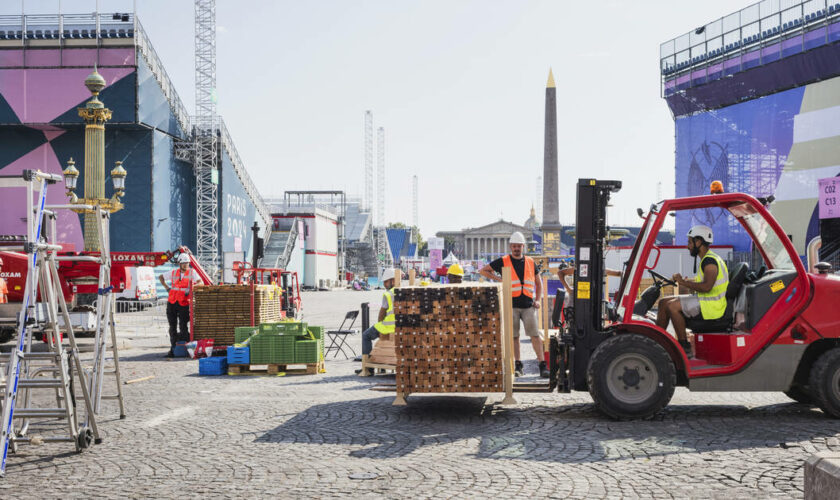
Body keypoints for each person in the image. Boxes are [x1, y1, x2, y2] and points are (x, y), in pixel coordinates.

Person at [479, 232, 549, 378]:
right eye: (514, 246)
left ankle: (542, 365)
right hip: (511, 305)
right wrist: (499, 279)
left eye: (519, 246)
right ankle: (518, 365)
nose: (517, 248)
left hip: (528, 306)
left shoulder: (530, 261)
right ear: (511, 246)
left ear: (523, 246)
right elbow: (483, 271)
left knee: (535, 335)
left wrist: (537, 299)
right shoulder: (504, 261)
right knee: (514, 336)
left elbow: (538, 283)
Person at [656, 225, 728, 356]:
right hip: (705, 300)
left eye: (690, 242)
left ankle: (684, 347)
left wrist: (683, 282)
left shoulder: (710, 261)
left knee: (672, 306)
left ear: (699, 242)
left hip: (712, 306)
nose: (687, 246)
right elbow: (705, 285)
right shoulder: (707, 259)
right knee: (663, 302)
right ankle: (657, 343)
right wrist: (687, 282)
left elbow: (707, 287)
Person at [158, 253, 202, 357]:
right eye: (183, 263)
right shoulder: (174, 272)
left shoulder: (192, 272)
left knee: (183, 326)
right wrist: (167, 288)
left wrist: (191, 287)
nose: (185, 265)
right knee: (172, 326)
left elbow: (201, 283)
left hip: (184, 303)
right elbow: (161, 277)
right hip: (172, 302)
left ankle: (186, 348)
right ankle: (173, 348)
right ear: (179, 263)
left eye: (186, 263)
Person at [355, 268, 396, 375]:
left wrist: (380, 325)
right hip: (400, 327)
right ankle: (381, 362)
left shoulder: (388, 294)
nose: (384, 284)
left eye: (386, 282)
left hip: (389, 327)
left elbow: (382, 313)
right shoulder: (405, 291)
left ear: (393, 280)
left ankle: (368, 368)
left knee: (366, 335)